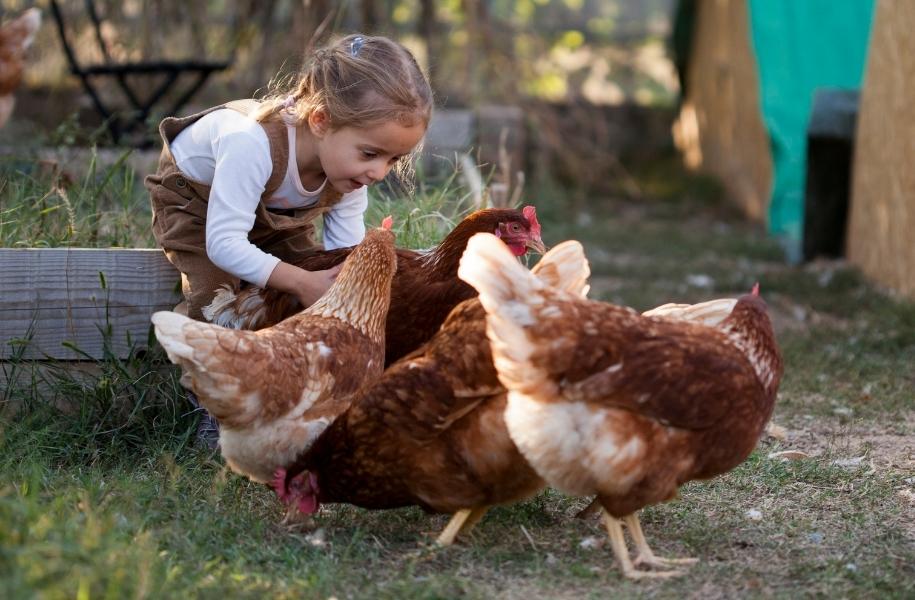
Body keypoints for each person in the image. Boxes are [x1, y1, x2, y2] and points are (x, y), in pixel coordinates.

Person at [145, 33, 433, 447]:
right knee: (218, 297)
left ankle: (288, 390)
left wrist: (337, 288)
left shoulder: (348, 176)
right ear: (320, 121)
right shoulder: (252, 143)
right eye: (371, 154)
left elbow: (340, 257)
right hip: (199, 204)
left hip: (278, 214)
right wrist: (299, 281)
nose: (379, 172)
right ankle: (212, 407)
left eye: (394, 159)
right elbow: (224, 242)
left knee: (311, 278)